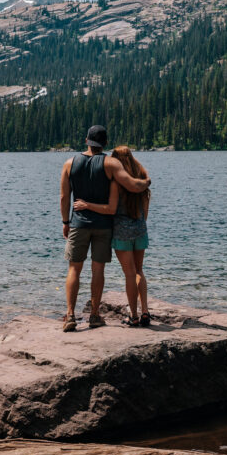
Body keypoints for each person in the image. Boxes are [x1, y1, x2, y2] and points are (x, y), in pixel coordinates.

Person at [59, 126, 151, 332]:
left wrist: (66, 222)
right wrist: (147, 181)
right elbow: (133, 185)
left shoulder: (69, 163)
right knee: (98, 269)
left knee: (74, 268)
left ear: (86, 141)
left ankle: (70, 315)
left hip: (78, 224)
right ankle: (94, 315)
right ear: (105, 144)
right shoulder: (110, 163)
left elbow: (64, 196)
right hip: (103, 225)